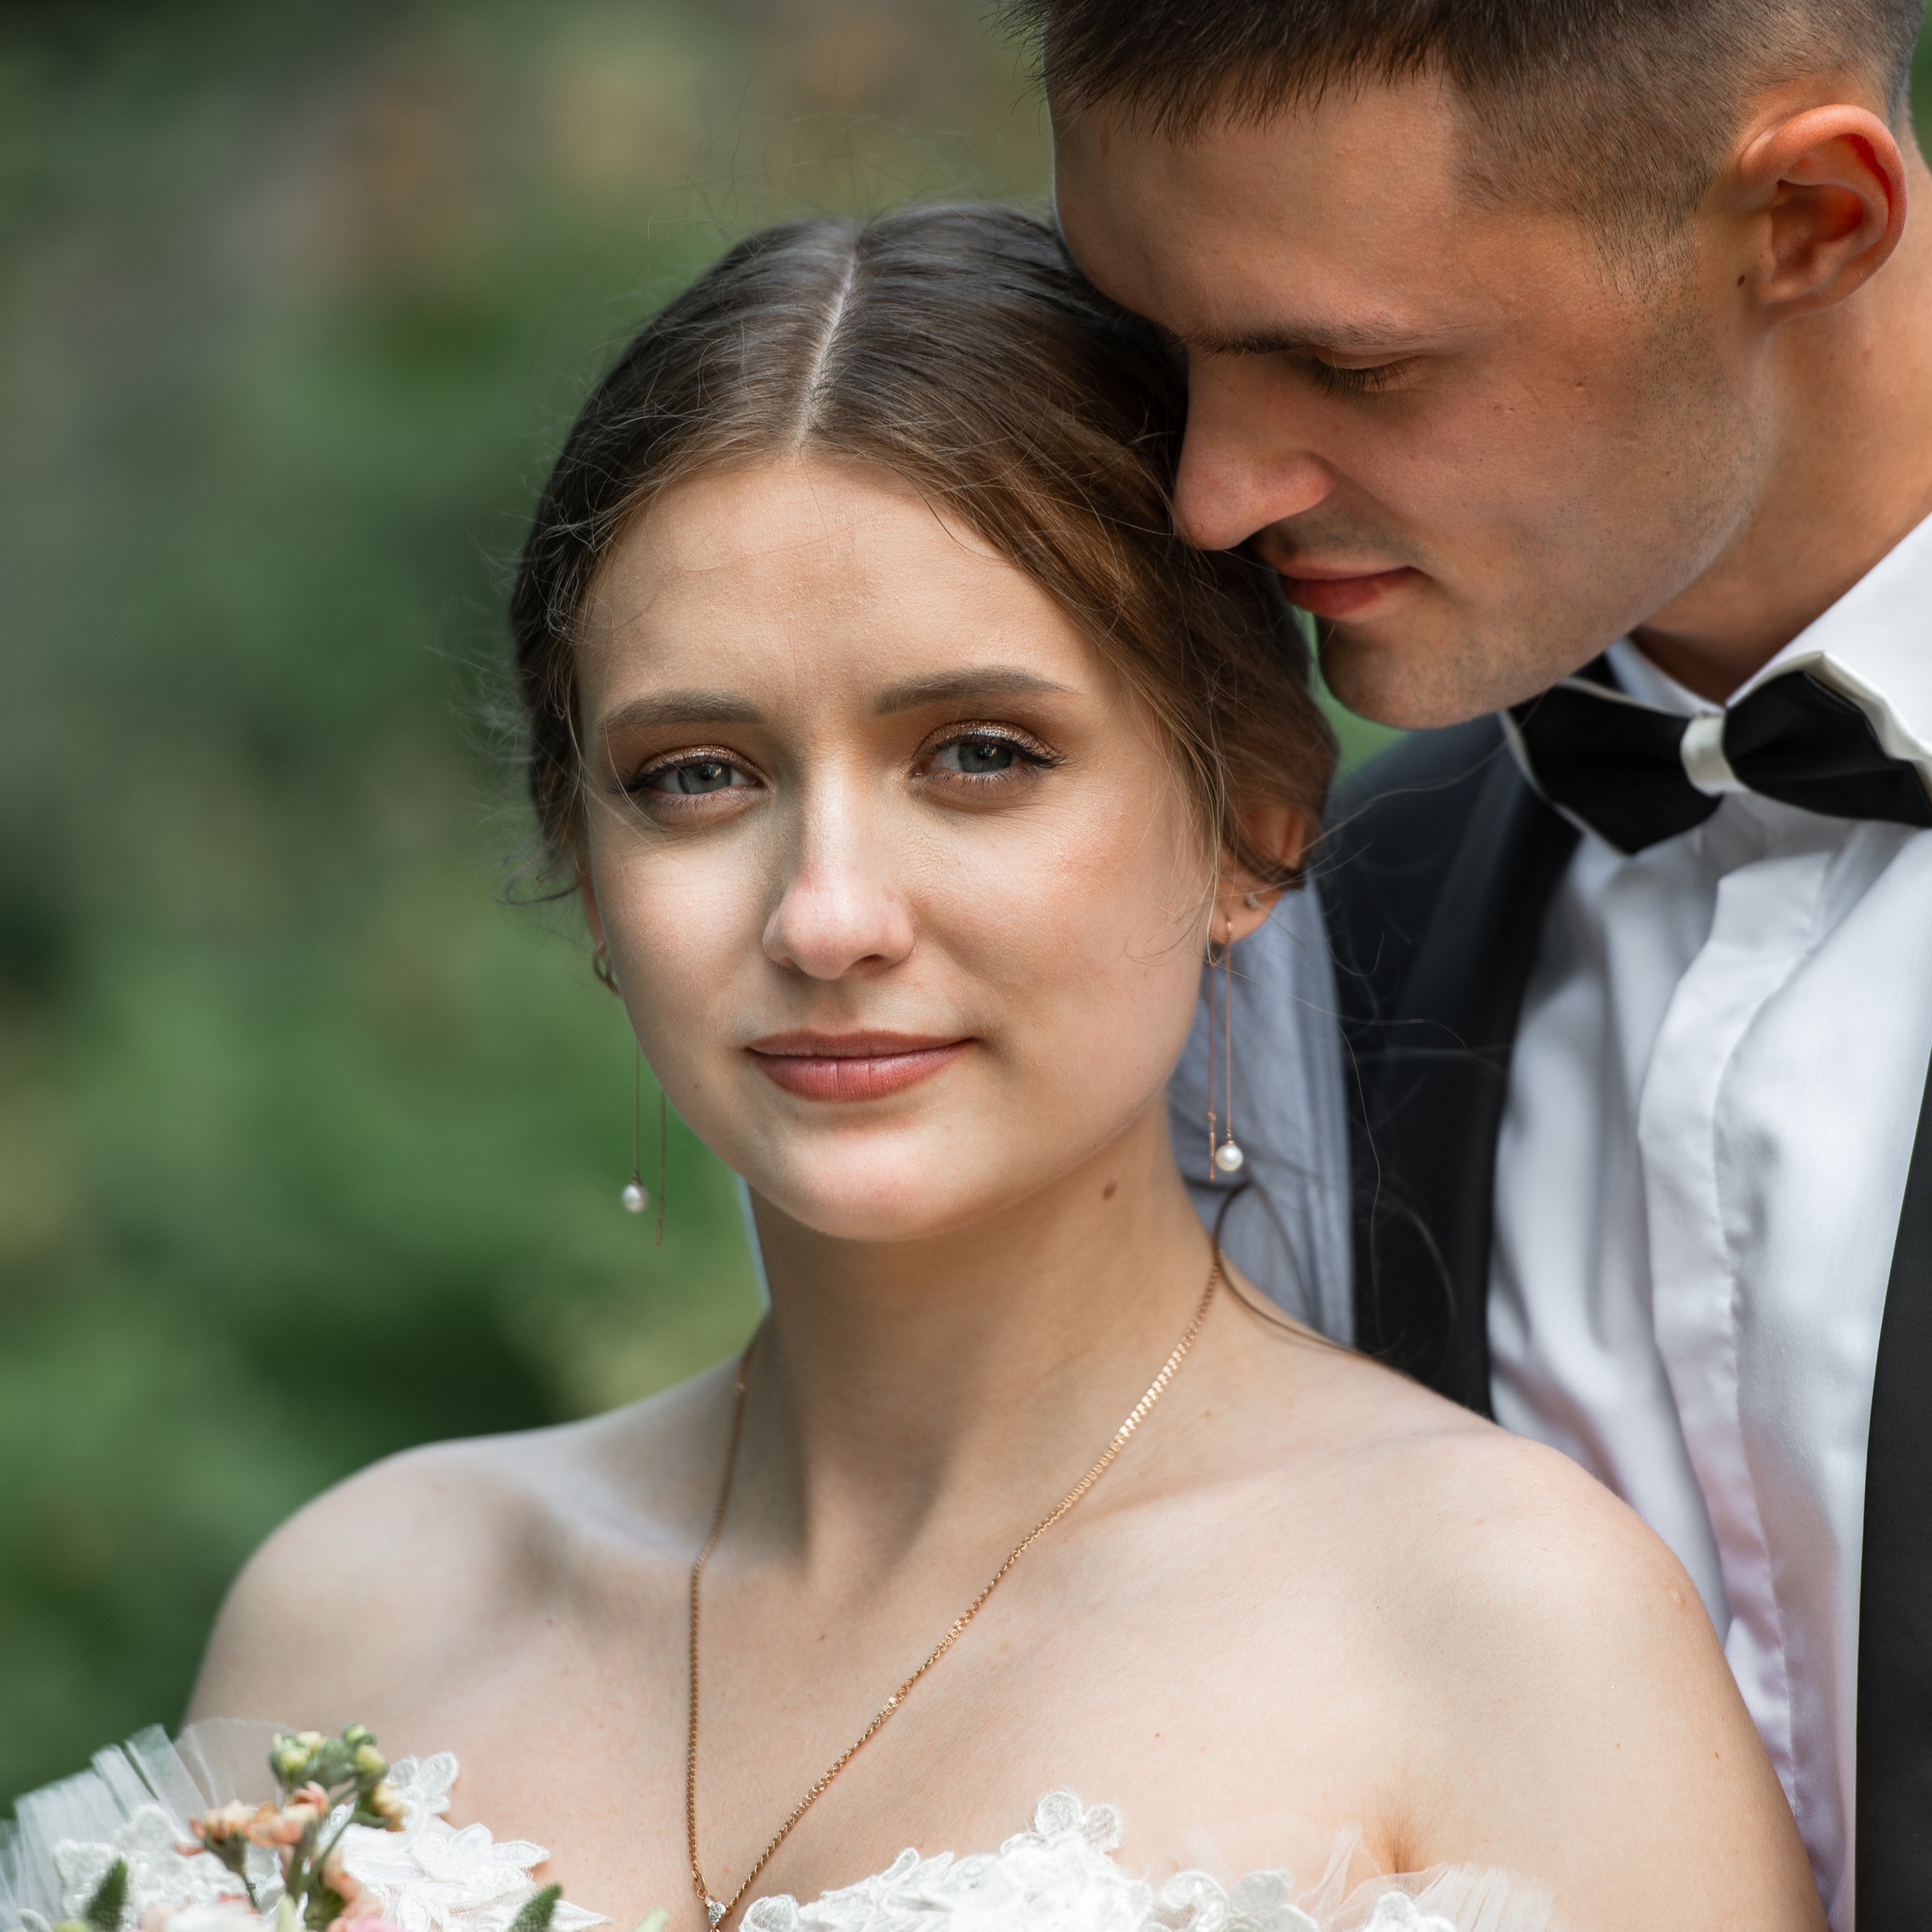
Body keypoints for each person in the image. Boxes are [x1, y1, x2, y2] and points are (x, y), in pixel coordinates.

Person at [127, 208, 1824, 1932]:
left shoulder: (1499, 1626)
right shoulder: (358, 1607)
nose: (829, 913)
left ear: (1249, 821)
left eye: (981, 755)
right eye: (697, 774)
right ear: (584, 856)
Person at [1037, 5, 1932, 1928]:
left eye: (1351, 362)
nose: (1209, 492)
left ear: (1807, 222)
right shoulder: (1302, 925)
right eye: (1155, 346)